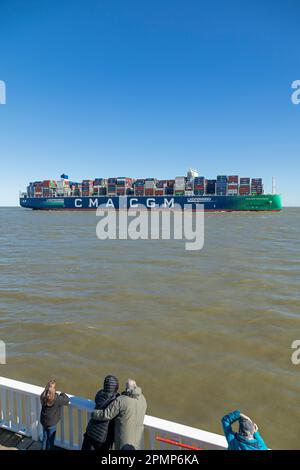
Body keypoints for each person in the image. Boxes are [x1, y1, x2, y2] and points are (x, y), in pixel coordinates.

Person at [92, 379, 147, 450]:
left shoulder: (121, 400)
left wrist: (94, 413)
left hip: (124, 441)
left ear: (126, 388)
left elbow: (107, 414)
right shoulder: (143, 399)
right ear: (135, 386)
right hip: (138, 440)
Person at [82, 375, 119, 451]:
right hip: (102, 437)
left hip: (91, 430)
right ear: (115, 387)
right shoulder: (116, 399)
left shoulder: (99, 394)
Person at [40, 379, 69, 450]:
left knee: (45, 438)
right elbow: (66, 400)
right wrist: (62, 393)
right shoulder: (57, 398)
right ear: (54, 390)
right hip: (52, 423)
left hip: (44, 421)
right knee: (50, 440)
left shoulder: (43, 396)